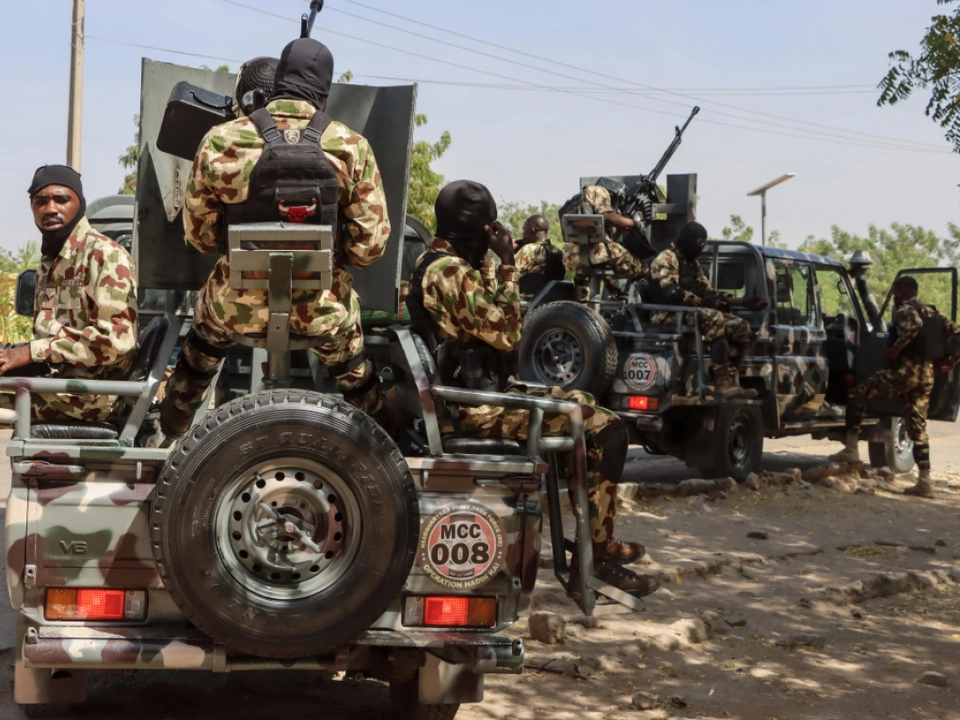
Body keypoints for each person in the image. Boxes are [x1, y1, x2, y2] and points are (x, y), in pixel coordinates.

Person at [406, 179, 660, 598]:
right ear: (477, 228)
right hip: (471, 408)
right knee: (608, 430)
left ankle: (594, 539)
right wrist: (507, 261)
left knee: (584, 402)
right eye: (490, 227)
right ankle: (594, 560)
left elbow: (488, 313)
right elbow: (508, 333)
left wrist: (490, 263)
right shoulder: (448, 272)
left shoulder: (442, 263)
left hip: (475, 395)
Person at [156, 37, 391, 440]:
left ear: (279, 78)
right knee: (351, 353)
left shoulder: (220, 139)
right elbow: (369, 248)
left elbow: (200, 237)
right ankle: (380, 422)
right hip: (321, 312)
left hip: (234, 308)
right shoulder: (352, 147)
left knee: (203, 337)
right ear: (324, 87)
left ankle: (177, 413)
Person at [0, 165, 138, 422]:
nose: (50, 209)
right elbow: (50, 336)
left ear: (79, 204)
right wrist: (15, 355)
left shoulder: (103, 255)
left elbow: (116, 342)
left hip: (90, 397)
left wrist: (30, 352)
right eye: (41, 201)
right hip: (55, 382)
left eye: (61, 200)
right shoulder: (51, 260)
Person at [829, 275, 960, 497]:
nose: (894, 300)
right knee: (917, 428)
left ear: (902, 291)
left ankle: (851, 450)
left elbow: (914, 326)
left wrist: (894, 351)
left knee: (858, 396)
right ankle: (924, 482)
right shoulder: (933, 313)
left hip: (904, 373)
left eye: (895, 294)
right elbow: (957, 333)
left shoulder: (906, 310)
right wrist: (951, 362)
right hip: (926, 376)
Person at [647, 222, 767, 399]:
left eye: (704, 243)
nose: (701, 247)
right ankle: (721, 383)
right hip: (666, 314)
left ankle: (730, 380)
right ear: (688, 240)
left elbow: (711, 293)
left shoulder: (692, 265)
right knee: (714, 317)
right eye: (699, 243)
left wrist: (744, 302)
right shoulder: (667, 258)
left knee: (740, 325)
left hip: (688, 312)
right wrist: (703, 302)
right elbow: (671, 293)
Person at [563, 184, 649, 298]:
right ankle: (638, 304)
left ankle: (579, 306)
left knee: (582, 277)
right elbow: (607, 216)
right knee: (642, 269)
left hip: (572, 255)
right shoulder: (600, 190)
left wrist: (608, 280)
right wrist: (634, 224)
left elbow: (597, 262)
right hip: (596, 251)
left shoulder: (584, 197)